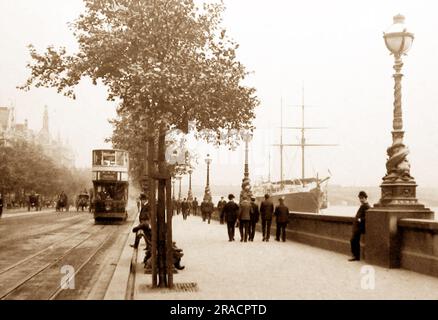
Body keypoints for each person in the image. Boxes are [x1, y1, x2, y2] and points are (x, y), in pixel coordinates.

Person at [349, 191, 370, 261]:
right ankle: (356, 256)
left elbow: (368, 217)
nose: (361, 200)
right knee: (354, 241)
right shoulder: (363, 206)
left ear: (365, 198)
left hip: (360, 227)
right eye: (360, 198)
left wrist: (360, 219)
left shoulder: (367, 206)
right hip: (357, 227)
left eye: (362, 198)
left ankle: (356, 256)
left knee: (353, 240)